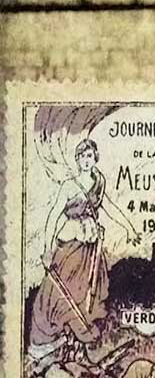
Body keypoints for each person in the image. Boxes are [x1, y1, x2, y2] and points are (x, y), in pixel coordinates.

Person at [28, 139, 139, 358]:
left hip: (91, 251)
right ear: (77, 160)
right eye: (82, 156)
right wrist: (46, 250)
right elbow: (53, 217)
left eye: (89, 156)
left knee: (87, 293)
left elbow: (110, 208)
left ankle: (77, 339)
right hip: (71, 245)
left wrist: (129, 229)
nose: (86, 160)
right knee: (56, 291)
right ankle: (47, 340)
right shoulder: (69, 186)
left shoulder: (99, 182)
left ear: (95, 157)